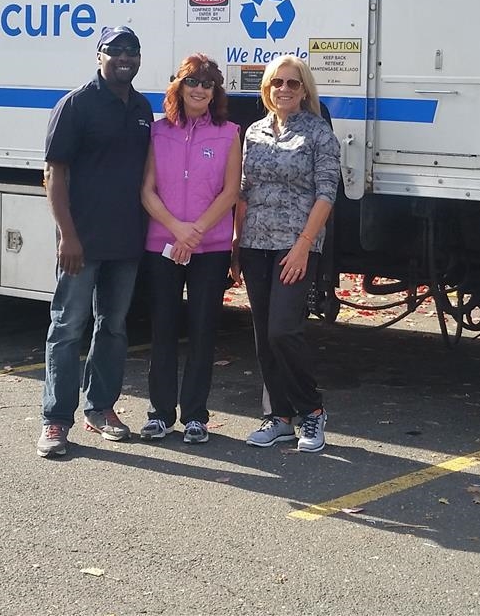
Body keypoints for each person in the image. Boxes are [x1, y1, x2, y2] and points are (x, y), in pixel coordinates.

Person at [36, 26, 153, 458]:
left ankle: (100, 408)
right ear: (99, 55)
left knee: (113, 328)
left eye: (132, 51)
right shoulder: (76, 105)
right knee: (67, 329)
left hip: (125, 240)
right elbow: (55, 174)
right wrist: (68, 235)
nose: (125, 57)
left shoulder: (142, 108)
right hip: (80, 241)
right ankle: (55, 420)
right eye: (116, 50)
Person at [234, 55, 341, 453]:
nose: (284, 89)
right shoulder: (255, 132)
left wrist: (302, 246)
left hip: (294, 246)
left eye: (293, 84)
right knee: (264, 335)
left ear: (304, 90)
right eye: (277, 82)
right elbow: (244, 192)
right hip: (255, 245)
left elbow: (327, 194)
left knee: (284, 329)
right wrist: (235, 244)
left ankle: (311, 411)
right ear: (266, 88)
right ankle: (278, 417)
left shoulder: (318, 134)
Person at [138, 54, 242, 444]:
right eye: (192, 81)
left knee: (202, 330)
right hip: (162, 243)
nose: (199, 88)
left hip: (209, 247)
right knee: (163, 329)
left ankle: (195, 415)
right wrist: (176, 230)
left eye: (207, 83)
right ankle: (160, 414)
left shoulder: (230, 132)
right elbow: (146, 189)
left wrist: (194, 232)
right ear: (178, 87)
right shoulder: (157, 130)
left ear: (215, 92)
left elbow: (230, 191)